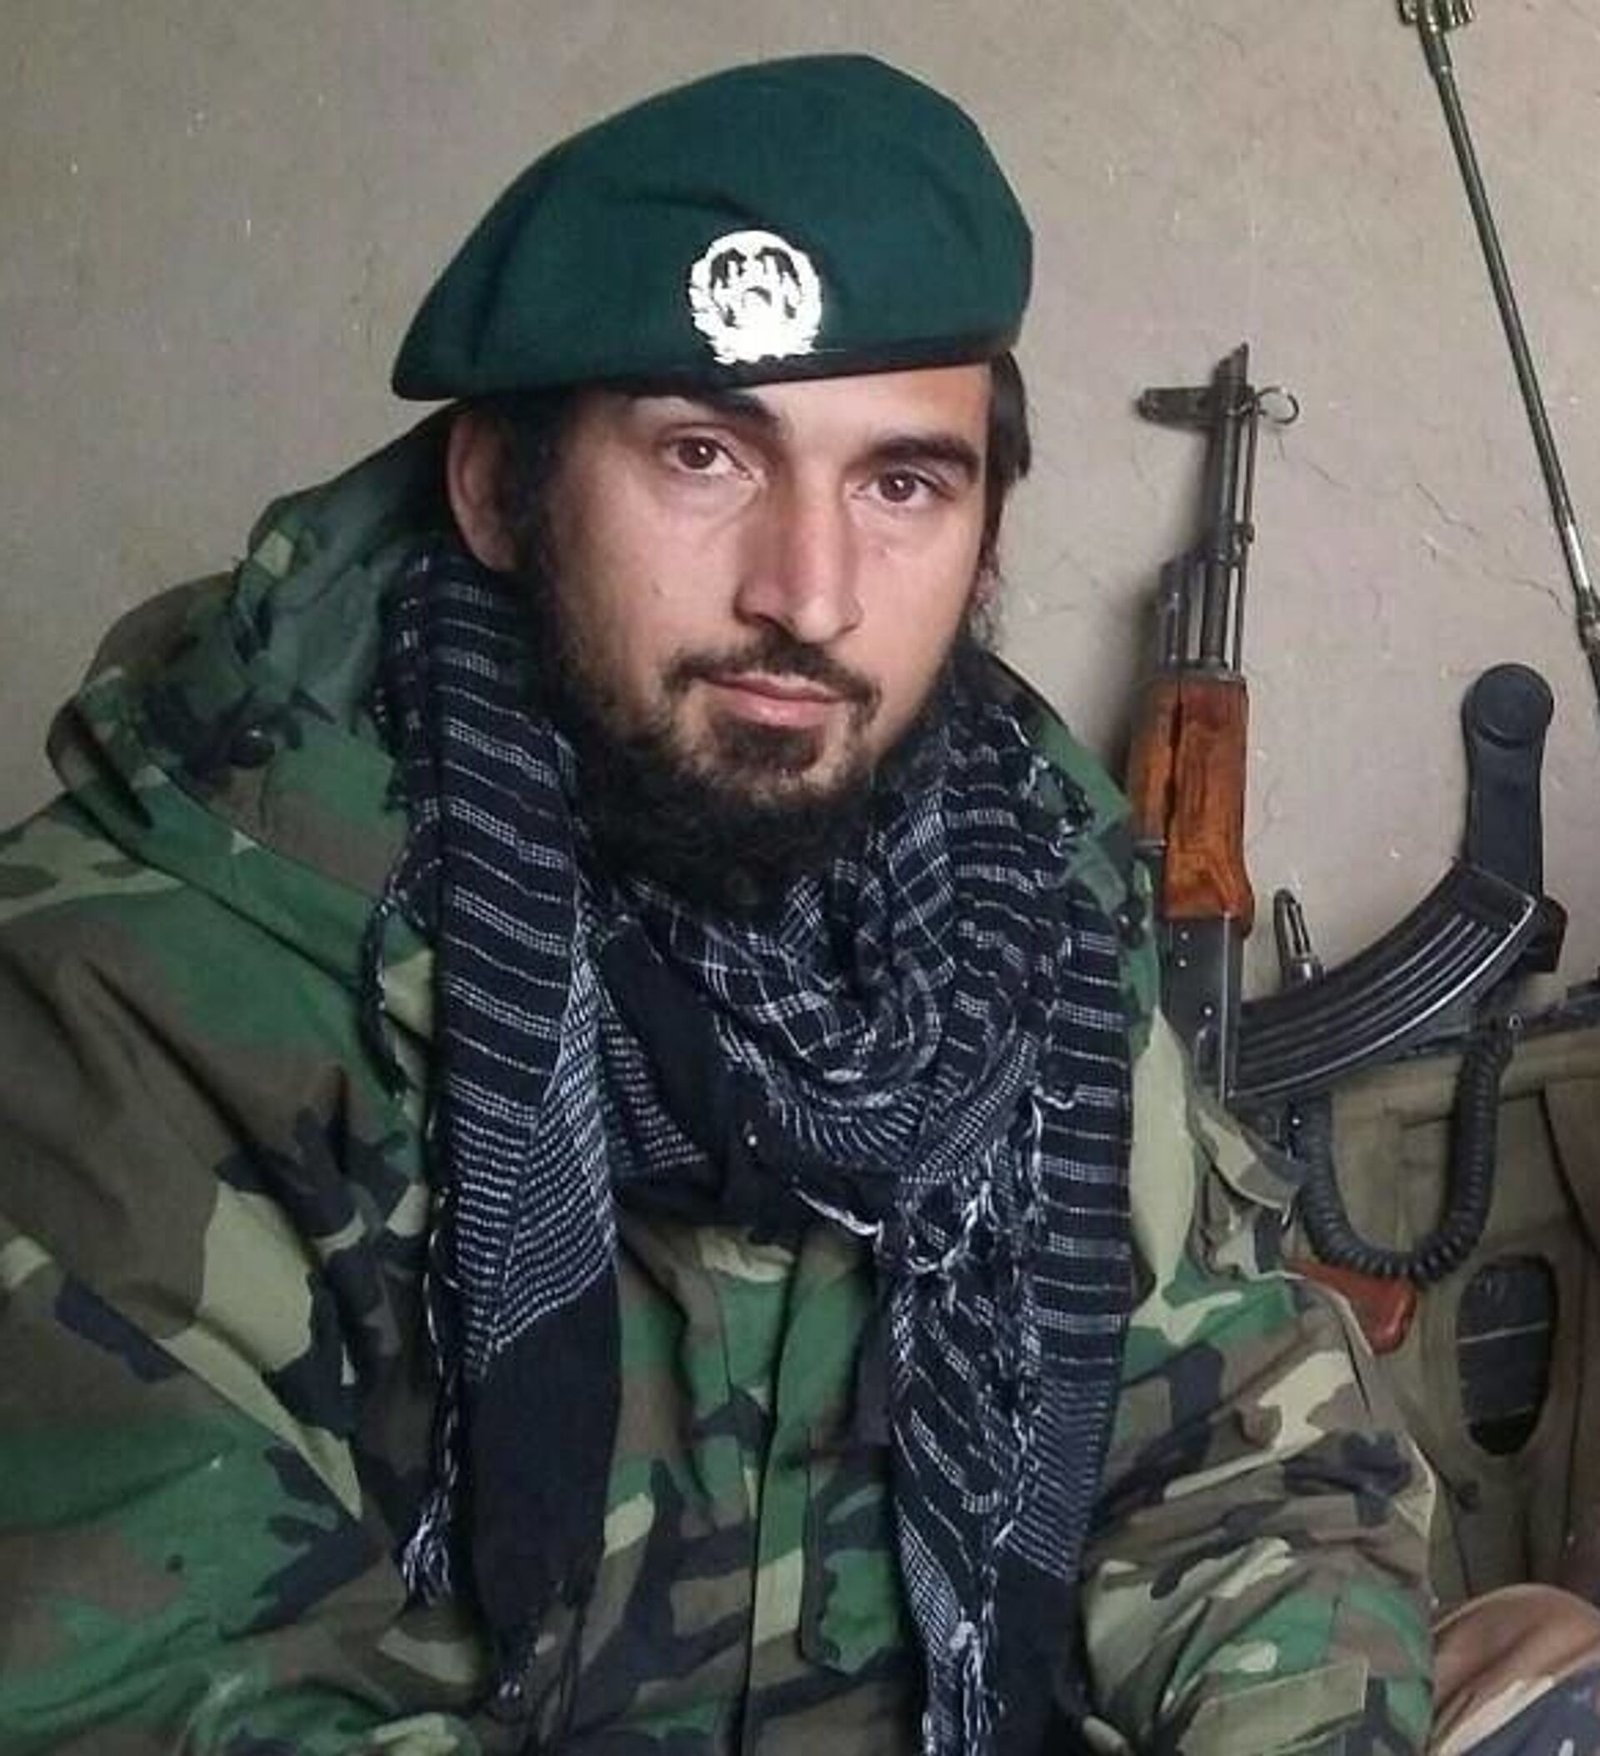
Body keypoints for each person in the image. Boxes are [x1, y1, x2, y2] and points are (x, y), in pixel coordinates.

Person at [1, 51, 1596, 1756]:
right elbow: (149, 1696)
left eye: (901, 484)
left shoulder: (1025, 928)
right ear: (495, 492)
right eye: (705, 456)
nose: (809, 595)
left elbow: (1237, 1459)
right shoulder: (137, 992)